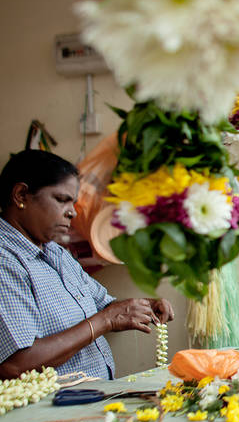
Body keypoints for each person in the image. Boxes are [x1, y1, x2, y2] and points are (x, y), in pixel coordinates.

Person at [0, 150, 174, 380]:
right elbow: (15, 364)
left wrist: (140, 307)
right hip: (50, 412)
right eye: (61, 200)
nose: (72, 212)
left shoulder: (56, 253)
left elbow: (104, 306)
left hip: (93, 398)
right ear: (21, 195)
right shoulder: (6, 260)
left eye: (73, 201)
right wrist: (106, 320)